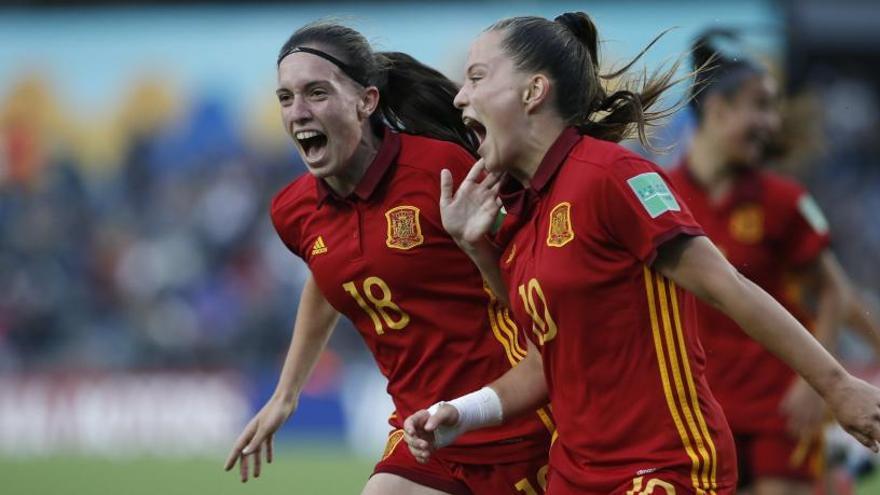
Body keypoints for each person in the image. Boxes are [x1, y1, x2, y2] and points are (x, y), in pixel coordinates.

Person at [401, 12, 880, 495]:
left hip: (664, 469)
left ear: (533, 91)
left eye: (477, 77)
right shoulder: (521, 215)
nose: (460, 95)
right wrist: (463, 413)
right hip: (574, 475)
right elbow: (546, 360)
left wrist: (836, 386)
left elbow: (727, 286)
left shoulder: (612, 175)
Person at [222, 22, 553, 495]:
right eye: (285, 97)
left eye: (316, 93)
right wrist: (286, 394)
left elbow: (528, 275)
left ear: (367, 101)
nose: (298, 112)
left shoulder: (442, 170)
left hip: (518, 422)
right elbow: (331, 275)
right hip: (423, 434)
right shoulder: (292, 210)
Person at [668, 29, 880, 495]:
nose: (772, 121)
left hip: (777, 406)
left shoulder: (784, 201)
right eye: (760, 106)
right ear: (718, 111)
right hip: (697, 407)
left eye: (775, 107)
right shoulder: (660, 197)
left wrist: (817, 384)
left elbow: (835, 293)